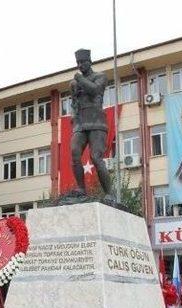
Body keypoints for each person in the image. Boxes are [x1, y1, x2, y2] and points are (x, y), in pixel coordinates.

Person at [69, 48, 112, 197]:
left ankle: (109, 193)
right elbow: (74, 102)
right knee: (74, 152)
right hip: (80, 123)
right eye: (78, 62)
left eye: (82, 62)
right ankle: (81, 188)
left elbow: (95, 90)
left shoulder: (100, 76)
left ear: (89, 61)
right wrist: (73, 116)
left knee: (95, 157)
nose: (80, 65)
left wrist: (80, 79)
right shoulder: (74, 83)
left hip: (97, 122)